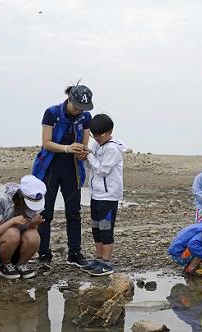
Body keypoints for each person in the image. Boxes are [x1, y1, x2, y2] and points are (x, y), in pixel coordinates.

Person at [31, 83, 93, 269]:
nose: (78, 111)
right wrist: (67, 148)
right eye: (76, 107)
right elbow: (46, 143)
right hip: (50, 167)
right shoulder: (52, 112)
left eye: (82, 108)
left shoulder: (86, 117)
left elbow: (83, 143)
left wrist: (82, 152)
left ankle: (74, 253)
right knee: (45, 213)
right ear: (69, 99)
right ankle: (44, 253)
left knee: (74, 212)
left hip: (72, 168)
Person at [79, 114, 126, 276]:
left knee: (106, 229)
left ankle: (107, 262)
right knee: (96, 228)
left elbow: (103, 170)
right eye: (94, 135)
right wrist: (84, 157)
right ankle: (98, 258)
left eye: (100, 135)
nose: (97, 138)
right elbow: (91, 166)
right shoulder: (96, 144)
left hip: (108, 195)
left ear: (109, 132)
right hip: (96, 194)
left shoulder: (113, 148)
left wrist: (89, 155)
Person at [0, 175, 46, 279]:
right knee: (13, 233)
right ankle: (5, 265)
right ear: (22, 196)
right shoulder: (2, 202)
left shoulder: (36, 204)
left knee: (34, 235)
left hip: (17, 248)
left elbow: (31, 231)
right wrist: (12, 221)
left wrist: (34, 224)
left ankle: (21, 264)